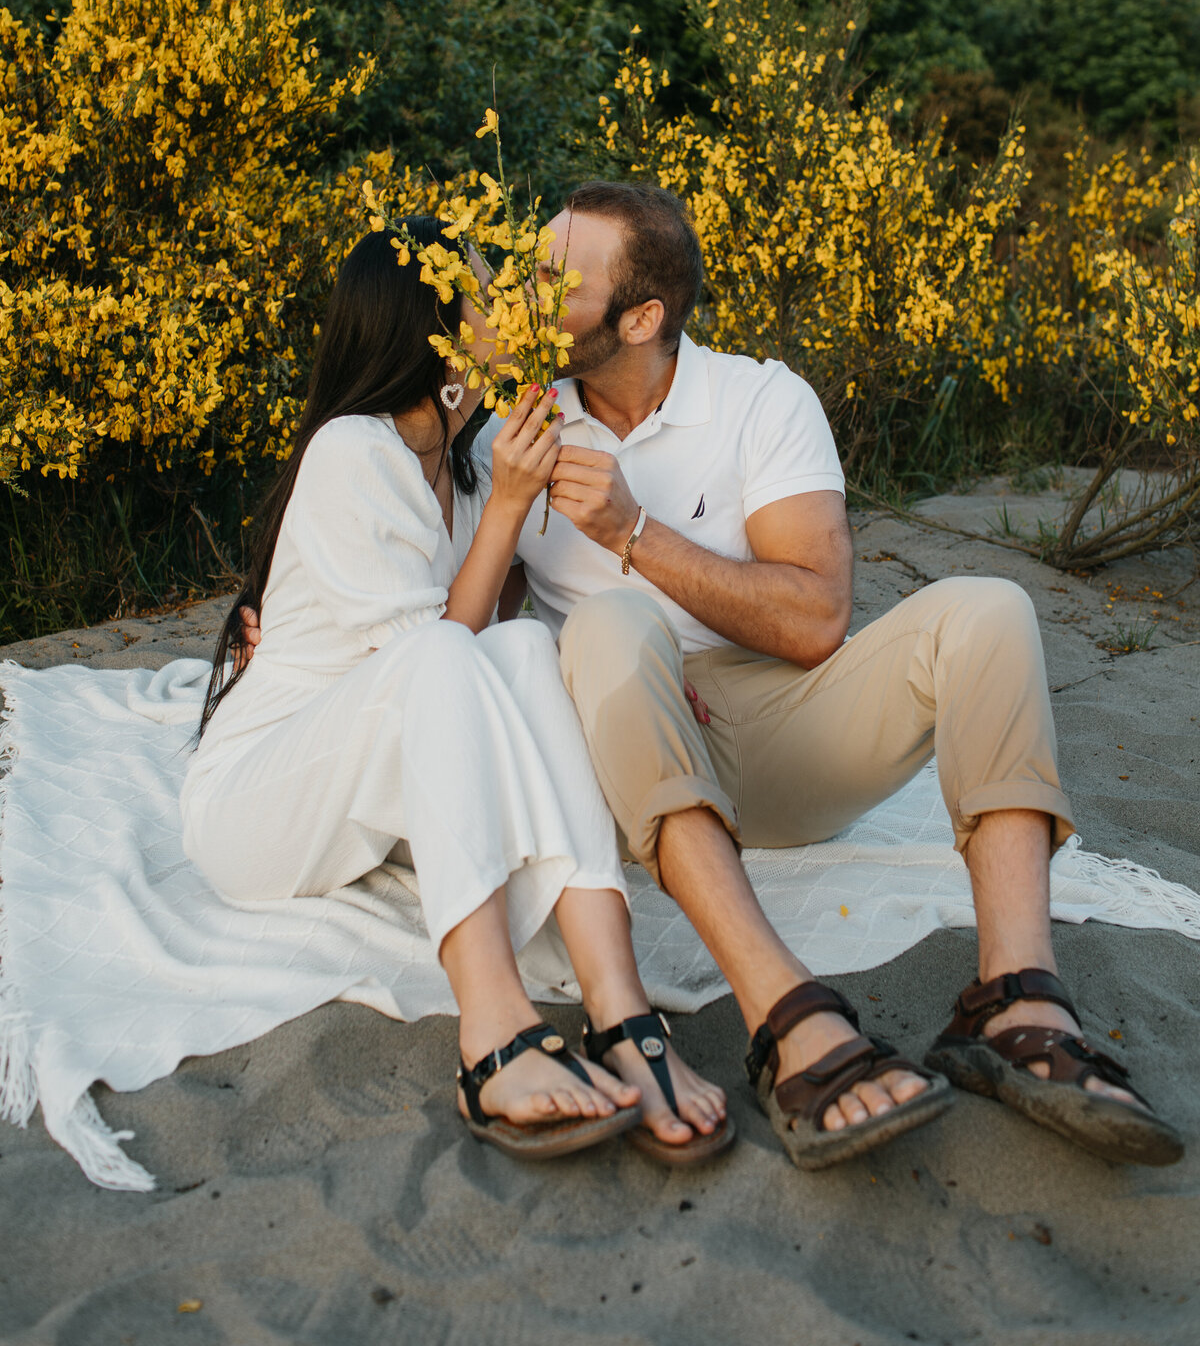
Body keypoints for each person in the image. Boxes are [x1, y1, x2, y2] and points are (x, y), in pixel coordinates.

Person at [467, 181, 1184, 1173]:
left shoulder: (762, 400)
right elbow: (469, 643)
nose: (524, 298)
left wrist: (634, 532)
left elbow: (813, 622)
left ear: (642, 318)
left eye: (555, 282)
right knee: (607, 622)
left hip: (778, 731)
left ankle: (1014, 997)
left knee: (990, 610)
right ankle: (784, 1014)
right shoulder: (511, 429)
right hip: (621, 753)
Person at [183, 223, 731, 1164]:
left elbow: (503, 640)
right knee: (452, 654)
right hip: (259, 803)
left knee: (522, 648)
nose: (507, 315)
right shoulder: (352, 453)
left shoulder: (468, 471)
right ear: (429, 337)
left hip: (362, 791)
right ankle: (492, 1022)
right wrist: (514, 507)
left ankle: (618, 1005)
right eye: (482, 301)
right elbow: (437, 655)